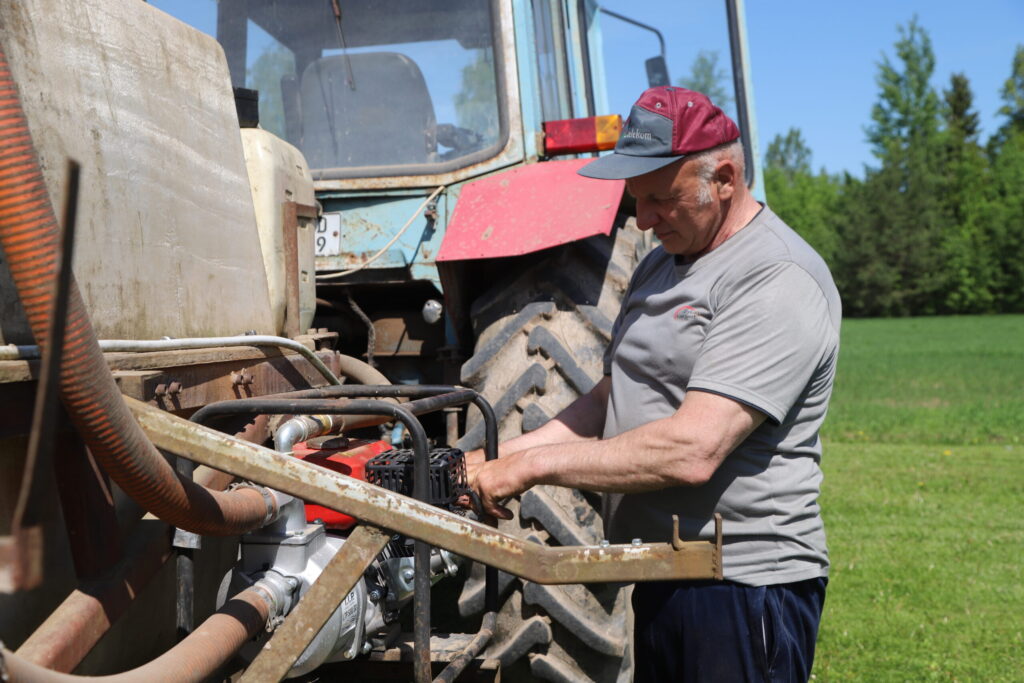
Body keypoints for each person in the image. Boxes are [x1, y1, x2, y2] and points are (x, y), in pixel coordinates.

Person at [466, 86, 840, 682]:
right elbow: (612, 396)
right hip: (666, 572)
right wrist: (496, 456)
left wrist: (529, 471)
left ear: (724, 178)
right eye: (636, 200)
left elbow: (694, 450)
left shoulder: (774, 278)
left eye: (661, 199)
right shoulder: (661, 261)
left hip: (740, 585)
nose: (642, 219)